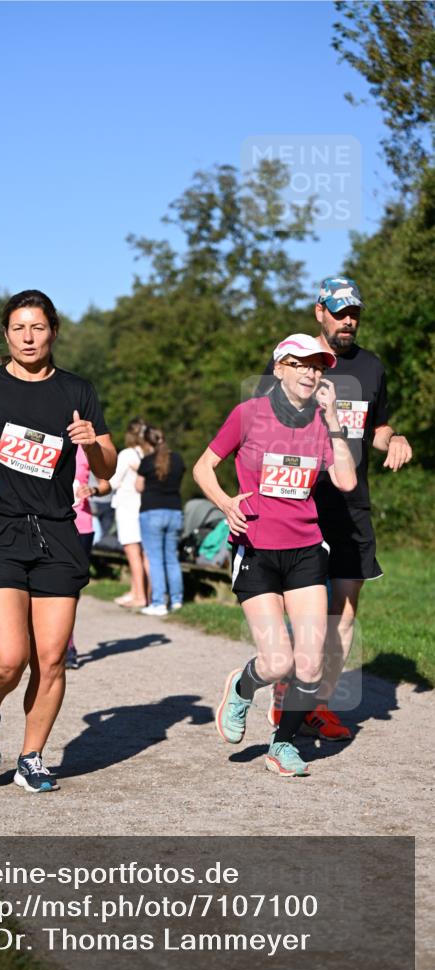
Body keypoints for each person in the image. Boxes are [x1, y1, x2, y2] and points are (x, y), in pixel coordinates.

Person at [0, 289, 116, 793]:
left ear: (54, 332)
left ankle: (32, 757)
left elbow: (105, 465)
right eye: (19, 327)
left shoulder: (77, 391)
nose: (28, 336)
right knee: (7, 657)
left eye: (37, 327)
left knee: (52, 657)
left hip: (58, 532)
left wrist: (92, 445)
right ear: (6, 334)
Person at [194, 334, 357, 777]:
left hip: (305, 551)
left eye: (318, 366)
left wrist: (335, 422)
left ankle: (281, 746)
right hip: (257, 550)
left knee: (308, 663)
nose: (311, 372)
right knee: (278, 662)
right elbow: (203, 467)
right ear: (280, 367)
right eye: (301, 363)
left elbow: (344, 480)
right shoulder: (249, 415)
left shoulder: (322, 425)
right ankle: (243, 686)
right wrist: (226, 503)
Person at [263, 279, 412, 740]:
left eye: (355, 314)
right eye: (340, 311)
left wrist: (397, 438)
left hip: (351, 503)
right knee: (302, 606)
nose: (349, 320)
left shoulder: (371, 367)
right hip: (300, 499)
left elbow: (378, 426)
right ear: (320, 312)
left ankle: (318, 704)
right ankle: (287, 689)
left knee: (343, 610)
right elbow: (265, 425)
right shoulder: (295, 361)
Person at [65, 445, 111, 668]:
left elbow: (106, 484)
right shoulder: (47, 438)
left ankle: (68, 646)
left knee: (71, 590)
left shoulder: (85, 449)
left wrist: (93, 490)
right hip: (50, 525)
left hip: (82, 525)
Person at [136, 426, 185, 616]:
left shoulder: (147, 461)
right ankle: (177, 600)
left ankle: (158, 602)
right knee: (172, 558)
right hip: (174, 511)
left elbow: (139, 486)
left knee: (155, 559)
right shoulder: (178, 459)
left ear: (148, 443)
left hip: (152, 512)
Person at [109, 418, 151, 609]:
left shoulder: (126, 454)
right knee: (146, 555)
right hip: (146, 507)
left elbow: (113, 481)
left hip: (127, 507)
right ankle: (144, 592)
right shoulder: (151, 452)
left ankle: (140, 596)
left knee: (133, 554)